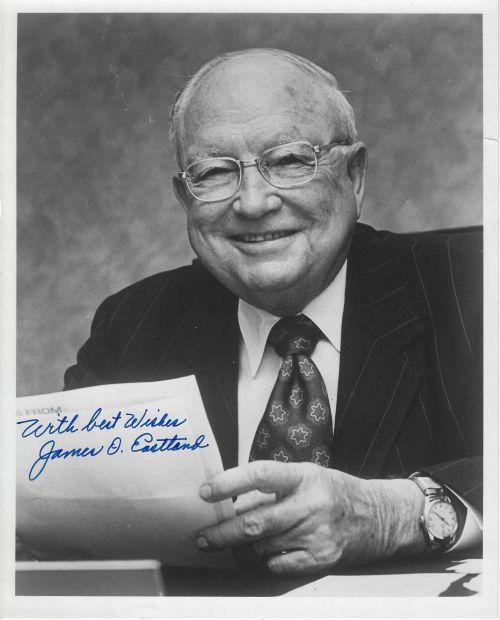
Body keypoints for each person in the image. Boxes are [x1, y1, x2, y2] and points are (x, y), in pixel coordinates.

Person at [64, 48, 482, 575]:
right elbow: (60, 510)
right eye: (214, 172)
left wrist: (394, 514)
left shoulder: (473, 283)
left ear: (354, 176)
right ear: (184, 198)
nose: (253, 203)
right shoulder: (133, 327)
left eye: (288, 161)